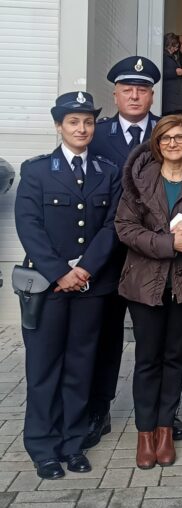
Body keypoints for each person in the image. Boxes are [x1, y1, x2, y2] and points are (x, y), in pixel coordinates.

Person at [14, 91, 121, 479]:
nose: (82, 128)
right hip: (48, 286)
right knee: (44, 368)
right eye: (74, 121)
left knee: (80, 367)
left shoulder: (107, 172)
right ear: (59, 126)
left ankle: (73, 443)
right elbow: (29, 226)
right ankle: (43, 446)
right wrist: (60, 271)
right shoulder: (38, 171)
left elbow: (111, 226)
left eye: (88, 121)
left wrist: (87, 268)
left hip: (90, 287)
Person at [86, 55, 177, 450]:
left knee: (156, 341)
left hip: (154, 257)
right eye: (128, 89)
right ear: (116, 94)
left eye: (142, 89)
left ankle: (161, 418)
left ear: (152, 94)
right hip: (109, 255)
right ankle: (98, 409)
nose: (135, 95)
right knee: (105, 337)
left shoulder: (169, 132)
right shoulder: (97, 134)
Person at [114, 115, 182, 469]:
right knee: (147, 359)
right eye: (166, 138)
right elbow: (124, 227)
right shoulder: (141, 178)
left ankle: (165, 428)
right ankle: (145, 433)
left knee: (174, 358)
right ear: (157, 143)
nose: (173, 143)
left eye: (180, 137)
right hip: (144, 283)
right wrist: (166, 243)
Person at [162, 33, 182, 116]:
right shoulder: (163, 56)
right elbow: (161, 73)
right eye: (174, 46)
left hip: (175, 101)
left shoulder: (172, 57)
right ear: (168, 44)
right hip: (170, 102)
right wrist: (175, 72)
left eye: (176, 47)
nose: (175, 49)